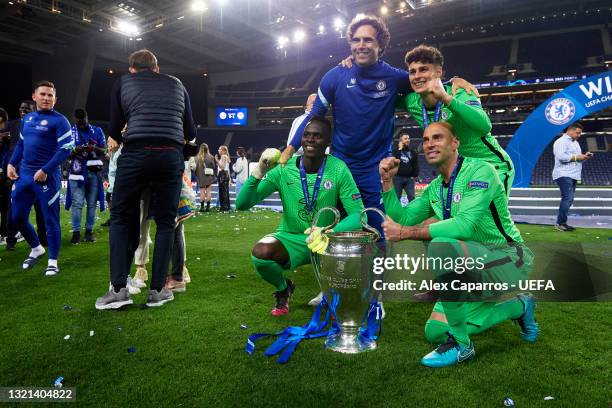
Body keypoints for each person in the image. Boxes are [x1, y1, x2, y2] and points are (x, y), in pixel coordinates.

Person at [281, 15, 475, 239]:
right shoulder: (334, 76)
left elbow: (424, 81)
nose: (361, 45)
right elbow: (314, 115)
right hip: (339, 167)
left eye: (368, 40)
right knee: (332, 228)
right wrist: (290, 147)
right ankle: (335, 273)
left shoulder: (393, 77)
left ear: (380, 44)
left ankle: (377, 273)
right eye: (356, 40)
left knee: (378, 230)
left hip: (375, 169)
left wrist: (454, 82)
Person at [379, 122, 538, 368]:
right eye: (426, 139)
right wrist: (388, 184)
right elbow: (402, 217)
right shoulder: (434, 188)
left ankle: (462, 346)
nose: (429, 143)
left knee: (441, 244)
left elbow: (464, 226)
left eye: (438, 137)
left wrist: (407, 233)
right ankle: (520, 306)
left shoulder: (480, 171)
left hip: (510, 258)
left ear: (455, 143)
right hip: (472, 264)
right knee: (434, 332)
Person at [95, 49, 197, 309]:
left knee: (120, 217)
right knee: (166, 223)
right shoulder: (177, 84)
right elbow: (191, 130)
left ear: (131, 69)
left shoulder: (123, 82)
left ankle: (118, 290)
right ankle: (158, 291)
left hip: (136, 154)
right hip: (170, 155)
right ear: (157, 68)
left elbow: (115, 127)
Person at [236, 117, 364, 316]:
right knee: (261, 253)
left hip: (325, 239)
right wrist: (259, 171)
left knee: (347, 297)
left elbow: (358, 216)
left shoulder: (338, 169)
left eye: (317, 136)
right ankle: (283, 288)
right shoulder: (283, 170)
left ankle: (332, 288)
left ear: (328, 142)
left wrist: (328, 232)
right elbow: (242, 204)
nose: (310, 140)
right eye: (306, 135)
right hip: (291, 238)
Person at [398, 45, 514, 196]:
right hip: (458, 172)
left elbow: (485, 126)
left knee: (479, 219)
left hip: (491, 167)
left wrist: (447, 99)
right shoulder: (411, 101)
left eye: (423, 69)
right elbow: (382, 94)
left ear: (438, 72)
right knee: (433, 218)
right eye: (412, 72)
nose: (417, 76)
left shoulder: (459, 93)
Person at [7, 81, 74, 276]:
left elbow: (66, 149)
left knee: (50, 220)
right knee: (17, 217)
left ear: (55, 99)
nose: (46, 98)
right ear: (34, 96)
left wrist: (46, 169)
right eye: (43, 94)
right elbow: (20, 144)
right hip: (24, 176)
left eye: (50, 95)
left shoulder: (60, 121)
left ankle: (53, 261)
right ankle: (36, 248)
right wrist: (12, 163)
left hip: (47, 177)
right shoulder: (27, 119)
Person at [1, 101, 44, 251]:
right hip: (15, 172)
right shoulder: (12, 125)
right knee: (12, 207)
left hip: (35, 171)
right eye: (21, 108)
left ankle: (43, 238)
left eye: (27, 108)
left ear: (33, 110)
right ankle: (11, 239)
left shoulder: (42, 124)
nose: (23, 110)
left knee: (41, 206)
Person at [65, 108, 106, 244]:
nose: (80, 124)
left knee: (92, 204)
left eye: (82, 121)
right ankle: (76, 233)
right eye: (78, 121)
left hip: (94, 172)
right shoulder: (71, 132)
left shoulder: (97, 130)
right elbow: (66, 154)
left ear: (87, 118)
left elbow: (103, 150)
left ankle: (89, 231)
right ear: (75, 119)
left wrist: (93, 148)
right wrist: (76, 150)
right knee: (77, 204)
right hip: (77, 172)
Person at [552, 122, 591, 231]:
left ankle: (562, 222)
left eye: (580, 133)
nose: (579, 135)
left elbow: (576, 159)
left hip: (573, 174)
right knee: (567, 198)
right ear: (570, 130)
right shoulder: (561, 141)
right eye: (578, 133)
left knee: (569, 199)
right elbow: (561, 157)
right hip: (563, 173)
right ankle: (560, 223)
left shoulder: (576, 143)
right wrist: (577, 157)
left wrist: (583, 157)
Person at [392, 130, 419, 201]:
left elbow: (415, 164)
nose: (408, 140)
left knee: (412, 197)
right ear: (401, 140)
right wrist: (400, 149)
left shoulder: (413, 152)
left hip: (409, 179)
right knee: (397, 197)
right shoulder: (395, 151)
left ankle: (412, 211)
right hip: (397, 178)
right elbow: (395, 162)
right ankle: (396, 212)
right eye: (405, 139)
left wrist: (415, 175)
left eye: (408, 138)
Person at [195, 143, 215, 212]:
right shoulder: (211, 157)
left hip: (200, 177)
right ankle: (208, 207)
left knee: (202, 192)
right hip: (208, 177)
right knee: (208, 192)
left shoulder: (197, 157)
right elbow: (213, 167)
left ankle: (202, 207)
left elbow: (195, 168)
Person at [215, 145, 231, 212]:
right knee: (225, 191)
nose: (218, 150)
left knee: (223, 192)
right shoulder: (226, 157)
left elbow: (222, 167)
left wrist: (217, 160)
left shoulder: (223, 156)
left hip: (223, 175)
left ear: (223, 151)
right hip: (225, 175)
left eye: (220, 149)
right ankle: (226, 206)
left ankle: (224, 207)